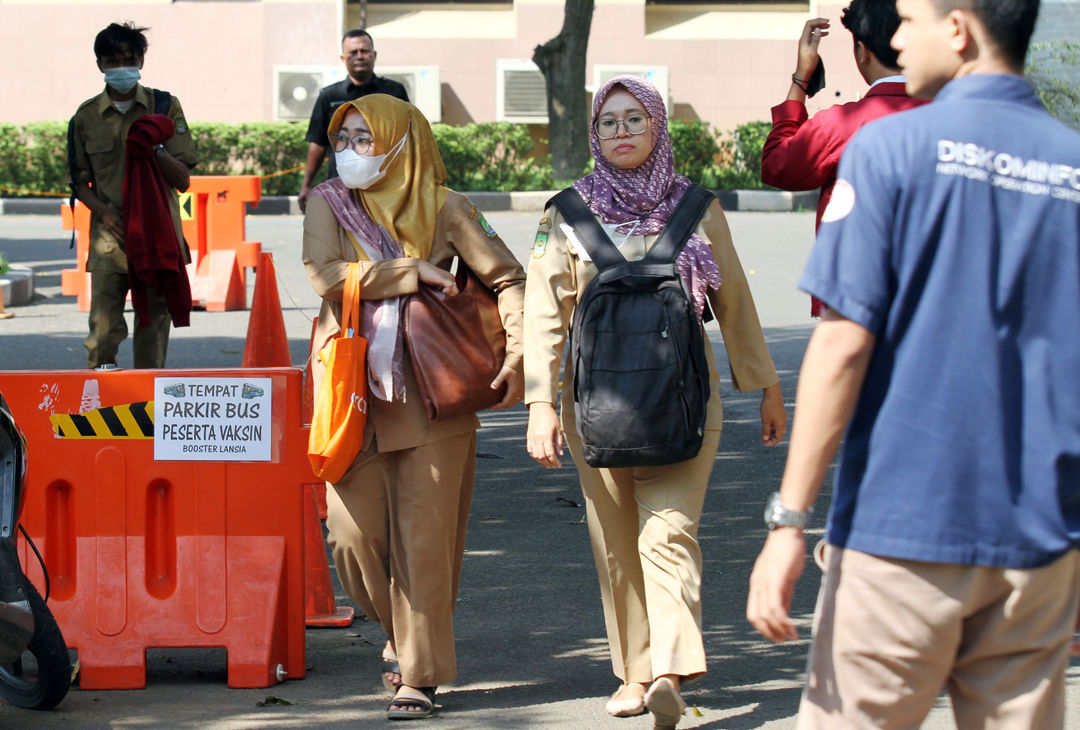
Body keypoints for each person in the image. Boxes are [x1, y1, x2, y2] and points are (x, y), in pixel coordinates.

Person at [746, 0, 1080, 725]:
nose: (895, 39)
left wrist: (789, 521)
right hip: (1041, 543)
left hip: (906, 530)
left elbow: (841, 345)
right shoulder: (1071, 165)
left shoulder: (886, 147)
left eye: (907, 20)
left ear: (957, 30)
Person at [525, 75, 787, 729]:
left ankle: (668, 672)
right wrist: (540, 404)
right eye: (608, 122)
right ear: (595, 133)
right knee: (615, 542)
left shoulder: (698, 208)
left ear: (658, 127)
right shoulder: (565, 213)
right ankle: (634, 672)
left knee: (669, 533)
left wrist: (767, 387)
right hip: (594, 402)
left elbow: (734, 305)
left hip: (684, 399)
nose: (620, 132)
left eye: (633, 119)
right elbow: (543, 314)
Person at [302, 94, 525, 721]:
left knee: (425, 542)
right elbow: (324, 275)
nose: (349, 151)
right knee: (351, 535)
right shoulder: (327, 202)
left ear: (401, 141)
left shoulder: (449, 206)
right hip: (350, 393)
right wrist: (411, 271)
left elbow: (508, 277)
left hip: (432, 395)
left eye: (363, 138)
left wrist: (518, 357)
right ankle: (399, 630)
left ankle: (419, 674)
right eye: (341, 138)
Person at [760, 0, 925, 316]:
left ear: (862, 52)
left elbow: (776, 167)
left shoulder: (840, 125)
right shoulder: (953, 117)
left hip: (856, 301)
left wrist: (800, 79)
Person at [68, 22, 197, 369]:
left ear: (141, 60)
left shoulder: (164, 107)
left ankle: (147, 409)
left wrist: (155, 149)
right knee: (102, 334)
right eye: (112, 61)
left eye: (128, 59)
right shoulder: (86, 117)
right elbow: (79, 182)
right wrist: (106, 215)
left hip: (157, 238)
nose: (121, 68)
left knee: (152, 331)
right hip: (111, 241)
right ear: (100, 65)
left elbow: (183, 178)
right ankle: (100, 406)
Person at [298, 30, 409, 213]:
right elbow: (318, 144)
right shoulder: (329, 96)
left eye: (364, 51)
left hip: (387, 188)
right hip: (342, 189)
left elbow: (409, 139)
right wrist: (306, 185)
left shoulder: (394, 92)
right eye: (353, 52)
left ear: (374, 55)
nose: (359, 56)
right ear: (343, 58)